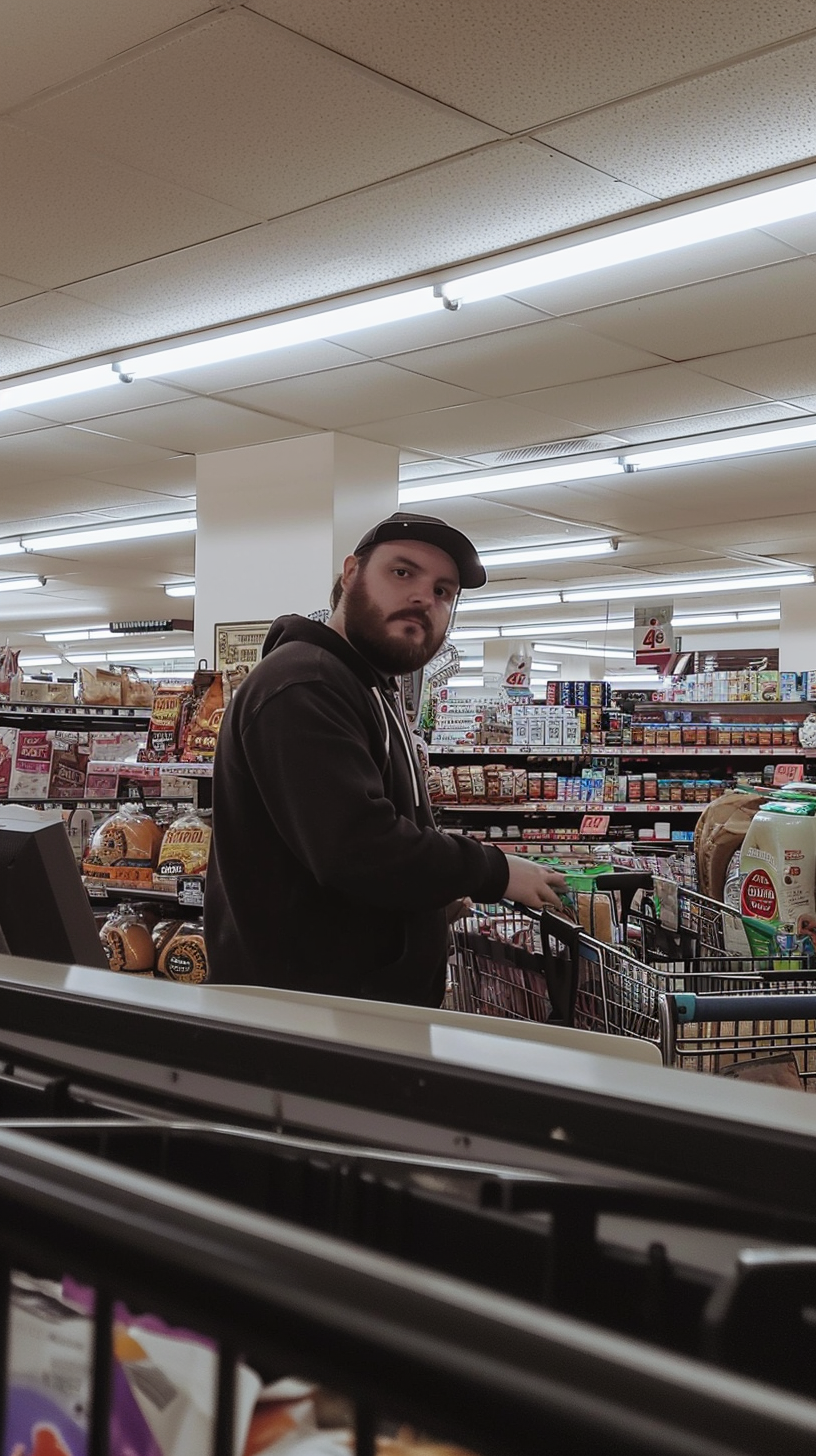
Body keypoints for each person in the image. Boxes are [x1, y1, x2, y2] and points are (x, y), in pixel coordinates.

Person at [204, 511, 566, 1003]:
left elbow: (332, 862)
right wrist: (495, 871)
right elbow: (357, 847)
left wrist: (423, 905)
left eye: (443, 592)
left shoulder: (364, 685)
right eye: (402, 573)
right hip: (306, 1025)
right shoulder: (305, 685)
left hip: (347, 1011)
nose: (423, 597)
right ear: (351, 574)